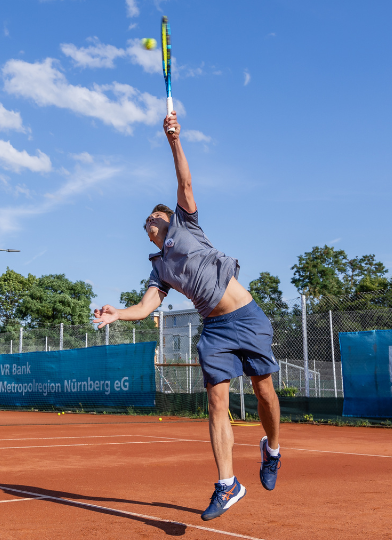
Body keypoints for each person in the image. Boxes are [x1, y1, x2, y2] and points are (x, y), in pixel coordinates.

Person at [92, 111, 282, 522]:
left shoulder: (187, 223)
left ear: (169, 218)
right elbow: (146, 308)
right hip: (214, 329)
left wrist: (174, 140)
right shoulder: (159, 268)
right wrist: (116, 315)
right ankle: (227, 484)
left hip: (247, 317)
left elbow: (185, 182)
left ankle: (272, 448)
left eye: (155, 217)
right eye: (146, 221)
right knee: (216, 403)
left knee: (265, 392)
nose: (150, 221)